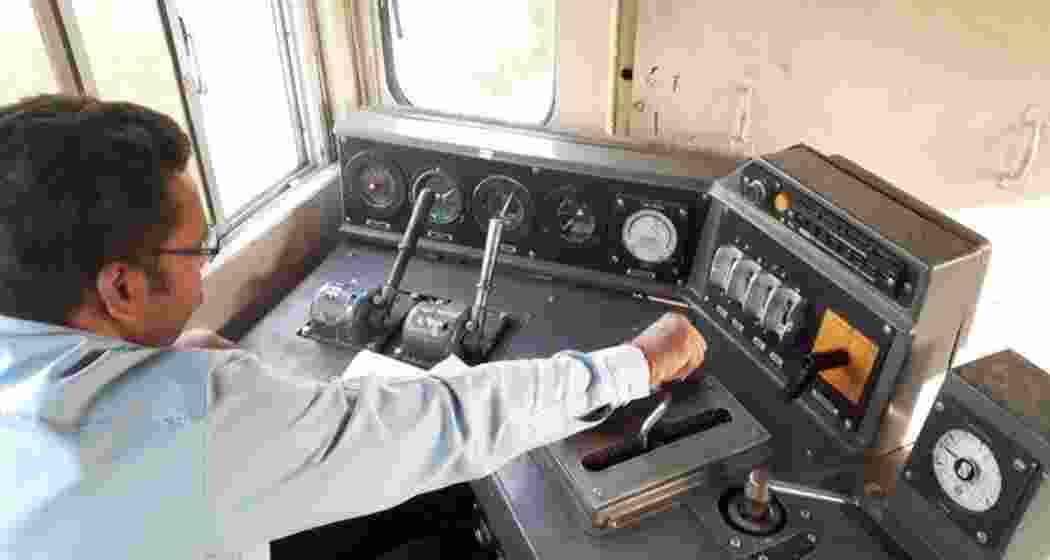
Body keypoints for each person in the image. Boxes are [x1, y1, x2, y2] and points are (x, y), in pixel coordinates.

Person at [0, 94, 708, 559]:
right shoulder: (188, 421)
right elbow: (447, 422)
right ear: (120, 288)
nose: (202, 273)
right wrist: (636, 364)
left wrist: (142, 357)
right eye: (197, 251)